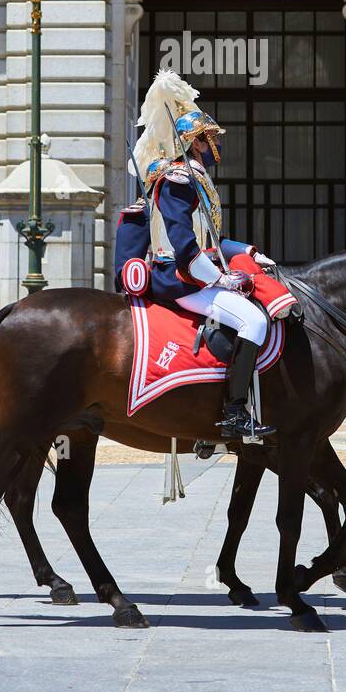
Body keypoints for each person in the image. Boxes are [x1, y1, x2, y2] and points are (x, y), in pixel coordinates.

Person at [121, 70, 277, 440]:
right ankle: (234, 411)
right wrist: (220, 278)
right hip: (178, 278)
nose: (213, 145)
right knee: (253, 322)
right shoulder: (178, 180)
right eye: (209, 139)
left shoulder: (193, 178)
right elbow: (184, 247)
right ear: (195, 142)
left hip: (193, 271)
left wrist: (250, 253)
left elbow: (209, 238)